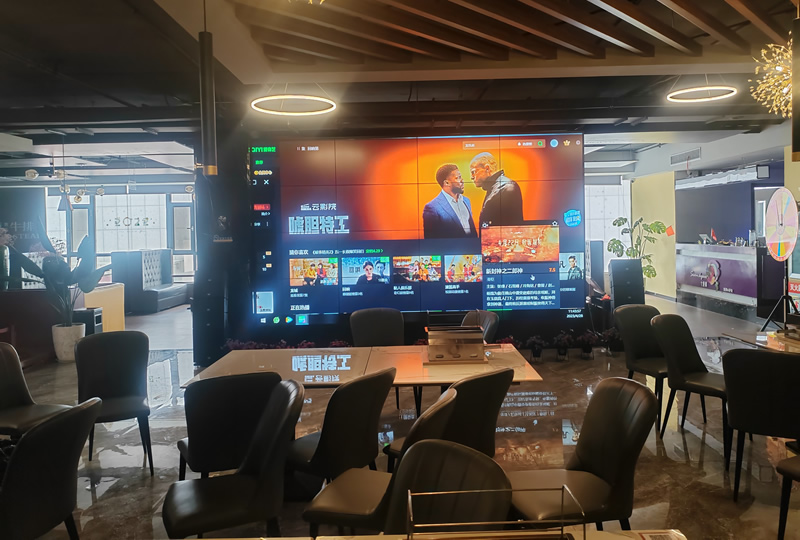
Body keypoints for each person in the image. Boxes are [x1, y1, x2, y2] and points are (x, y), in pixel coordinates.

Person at [422, 164, 477, 239]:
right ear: (446, 183)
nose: (462, 180)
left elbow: (472, 233)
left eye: (461, 177)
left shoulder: (466, 201)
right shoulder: (432, 208)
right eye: (458, 178)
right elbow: (431, 241)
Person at [469, 152, 524, 227]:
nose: (472, 177)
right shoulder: (497, 188)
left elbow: (509, 228)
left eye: (473, 172)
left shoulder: (506, 188)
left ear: (487, 168)